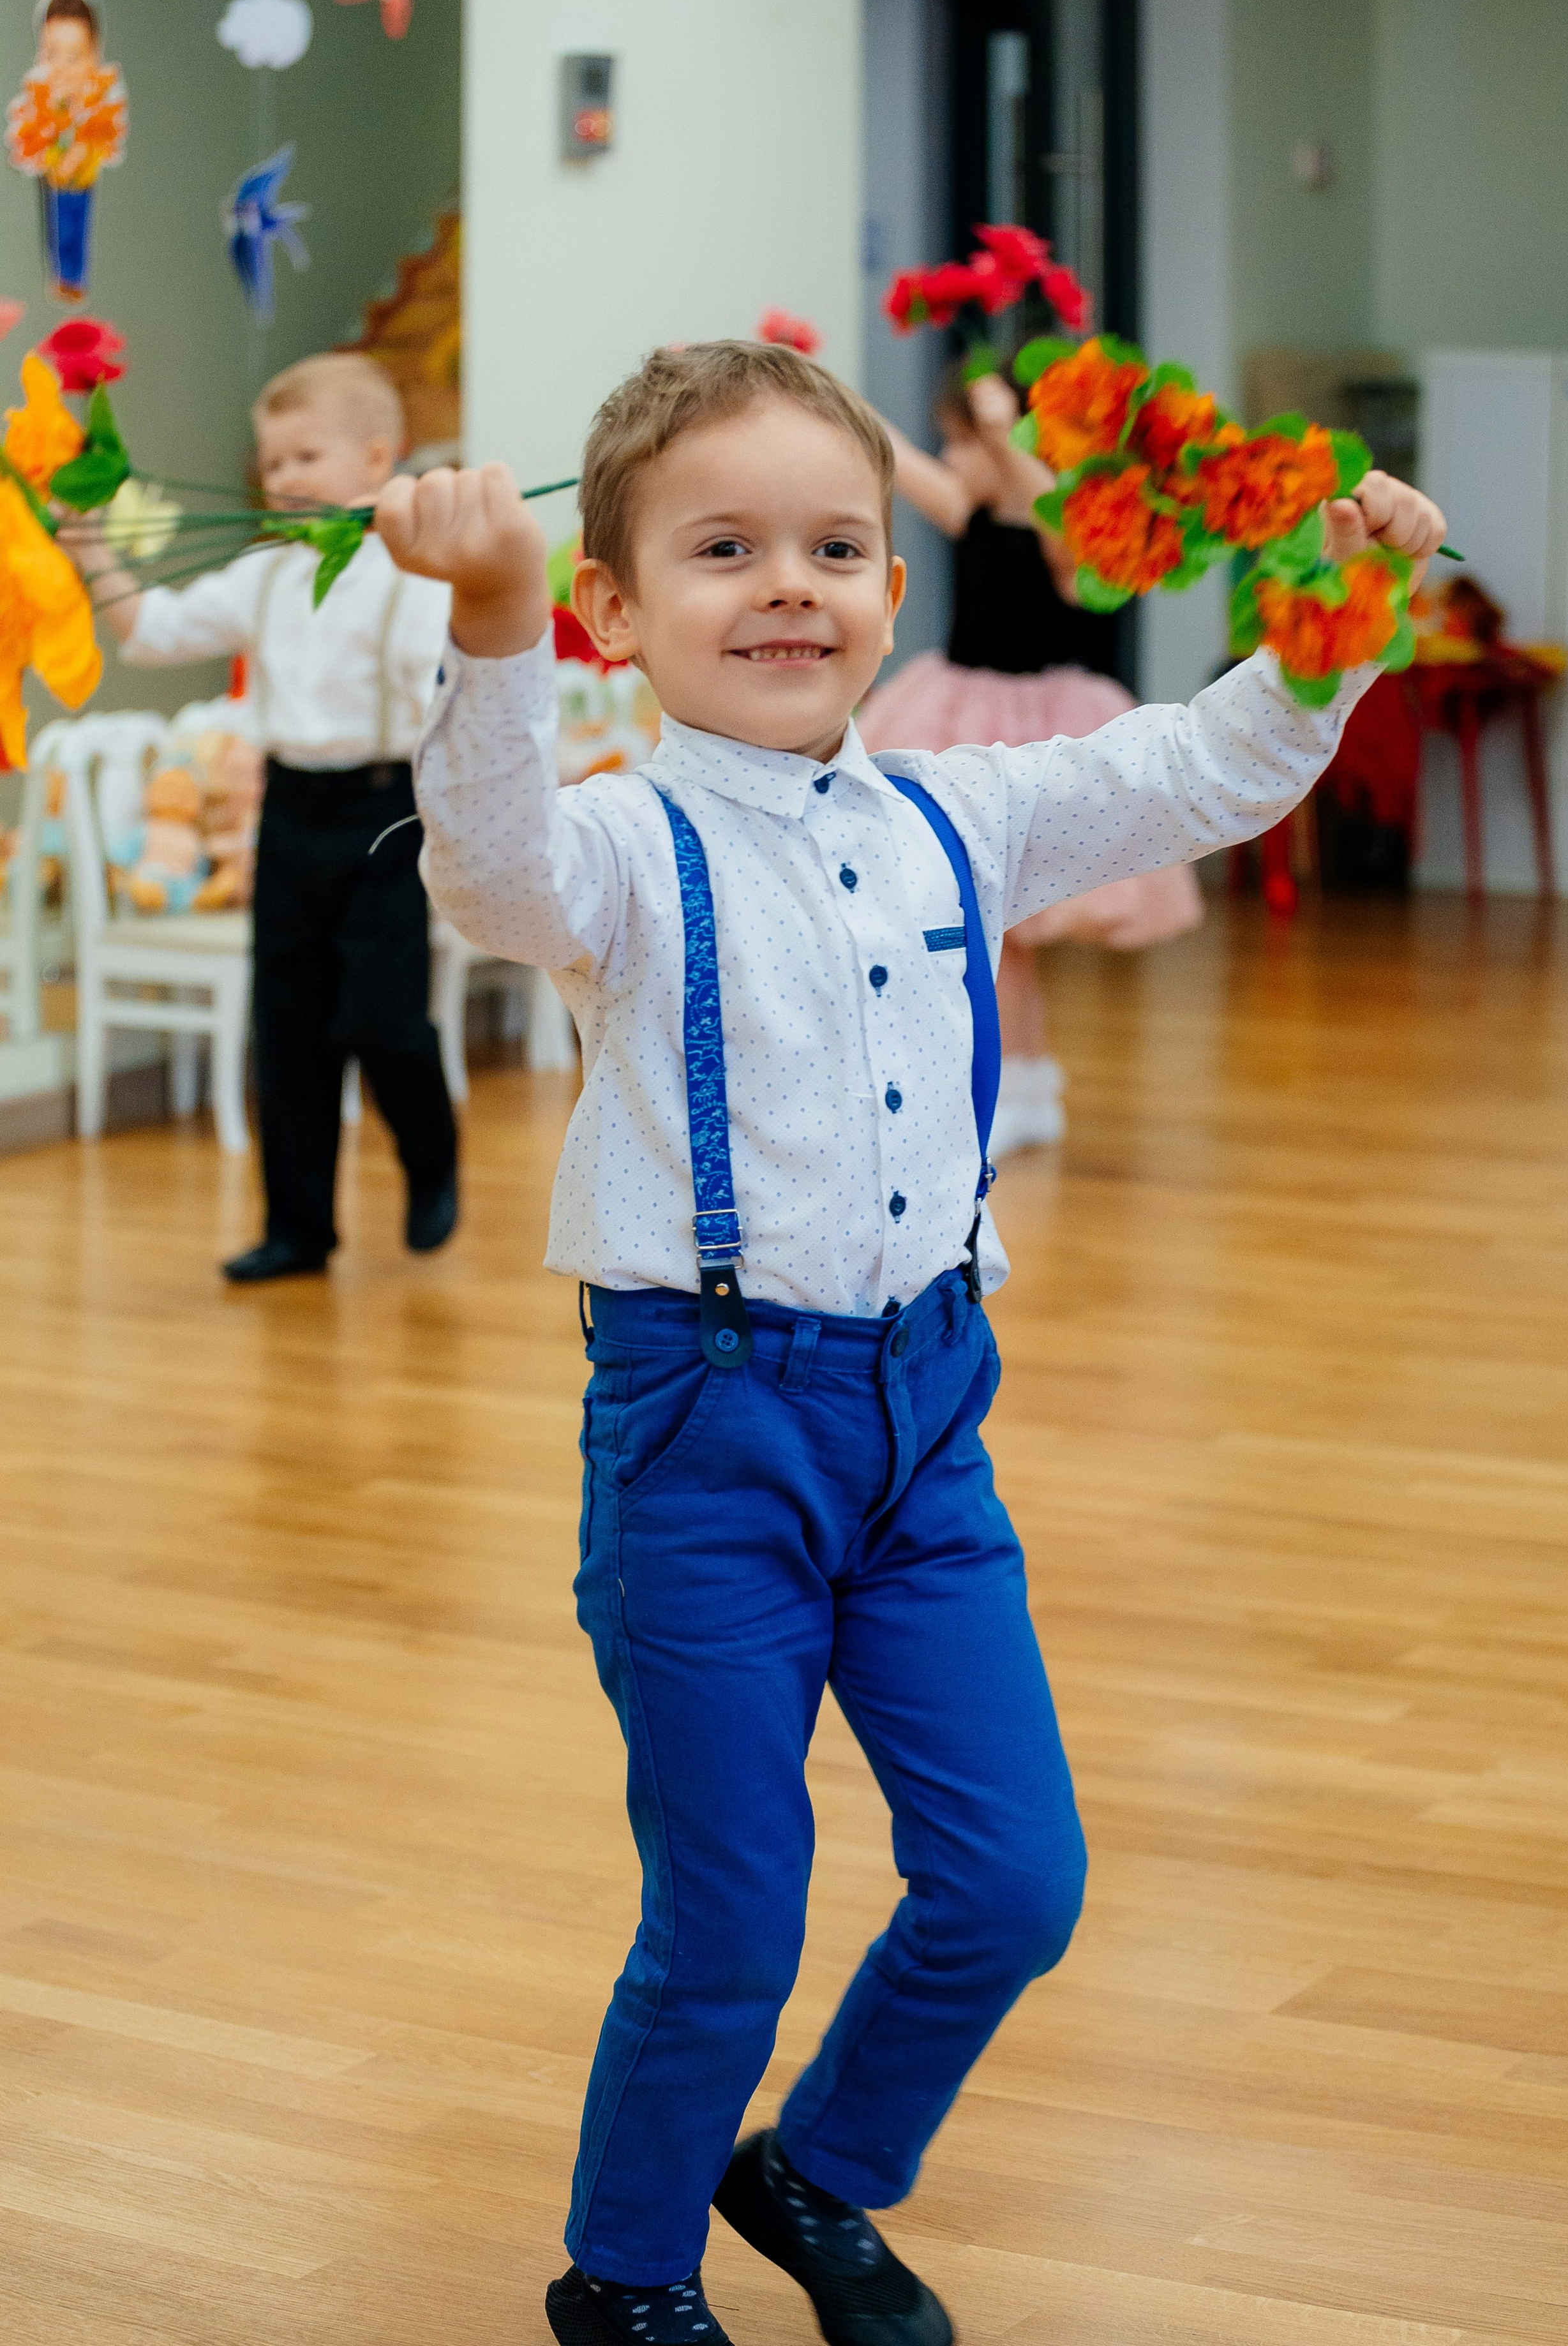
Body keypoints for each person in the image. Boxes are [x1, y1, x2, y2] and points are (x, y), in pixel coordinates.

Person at [375, 339, 1445, 2346]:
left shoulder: (969, 812)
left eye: (835, 545)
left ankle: (813, 2164)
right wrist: (490, 631)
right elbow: (488, 864)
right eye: (721, 548)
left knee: (1010, 1882)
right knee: (731, 1915)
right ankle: (623, 2272)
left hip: (925, 1429)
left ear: (895, 585)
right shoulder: (618, 848)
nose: (789, 583)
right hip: (704, 1443)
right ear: (612, 606)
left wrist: (1332, 606)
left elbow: (1205, 764)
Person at [69, 353, 459, 1282]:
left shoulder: (417, 578)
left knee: (383, 1018)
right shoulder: (264, 575)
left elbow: (444, 698)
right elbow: (157, 631)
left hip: (382, 816)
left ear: (378, 459)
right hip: (288, 810)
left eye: (304, 458)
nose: (282, 479)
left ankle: (430, 1149)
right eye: (273, 463)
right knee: (289, 1028)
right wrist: (93, 553)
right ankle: (298, 1228)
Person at [866, 362, 1204, 1156]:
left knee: (1001, 919)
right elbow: (888, 450)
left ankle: (1016, 1081)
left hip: (1034, 729)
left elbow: (1047, 510)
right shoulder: (968, 511)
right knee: (987, 925)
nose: (950, 458)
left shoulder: (1067, 529)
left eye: (961, 442)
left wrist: (998, 434)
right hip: (957, 717)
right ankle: (1021, 1077)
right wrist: (796, 375)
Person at [5, 0, 128, 301]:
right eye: (52, 54)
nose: (62, 67)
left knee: (78, 222)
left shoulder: (99, 97)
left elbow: (104, 132)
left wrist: (82, 148)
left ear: (95, 55)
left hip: (83, 175)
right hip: (55, 176)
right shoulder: (43, 96)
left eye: (75, 57)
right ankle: (63, 276)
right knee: (57, 225)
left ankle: (74, 277)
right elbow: (31, 134)